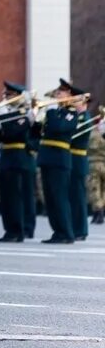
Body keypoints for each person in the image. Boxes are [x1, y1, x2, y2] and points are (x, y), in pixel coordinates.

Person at [33, 79, 79, 244]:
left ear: (70, 95)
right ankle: (57, 231)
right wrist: (36, 119)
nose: (57, 93)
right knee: (50, 198)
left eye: (62, 91)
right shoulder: (53, 112)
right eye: (57, 91)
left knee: (59, 198)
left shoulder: (71, 113)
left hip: (60, 159)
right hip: (47, 157)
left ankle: (66, 232)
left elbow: (58, 128)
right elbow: (38, 133)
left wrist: (51, 111)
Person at [0, 81, 34, 243]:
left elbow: (15, 133)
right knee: (6, 197)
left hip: (18, 156)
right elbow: (0, 137)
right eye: (5, 95)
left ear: (18, 97)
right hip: (6, 155)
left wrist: (0, 120)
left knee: (16, 196)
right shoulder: (6, 114)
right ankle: (9, 230)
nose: (6, 97)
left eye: (9, 95)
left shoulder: (23, 113)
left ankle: (18, 230)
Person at [69, 93, 91, 241]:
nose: (73, 103)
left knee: (77, 197)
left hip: (77, 159)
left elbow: (73, 135)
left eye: (76, 101)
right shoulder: (75, 117)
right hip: (72, 159)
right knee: (72, 196)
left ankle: (81, 230)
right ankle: (75, 228)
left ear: (84, 103)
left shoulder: (84, 118)